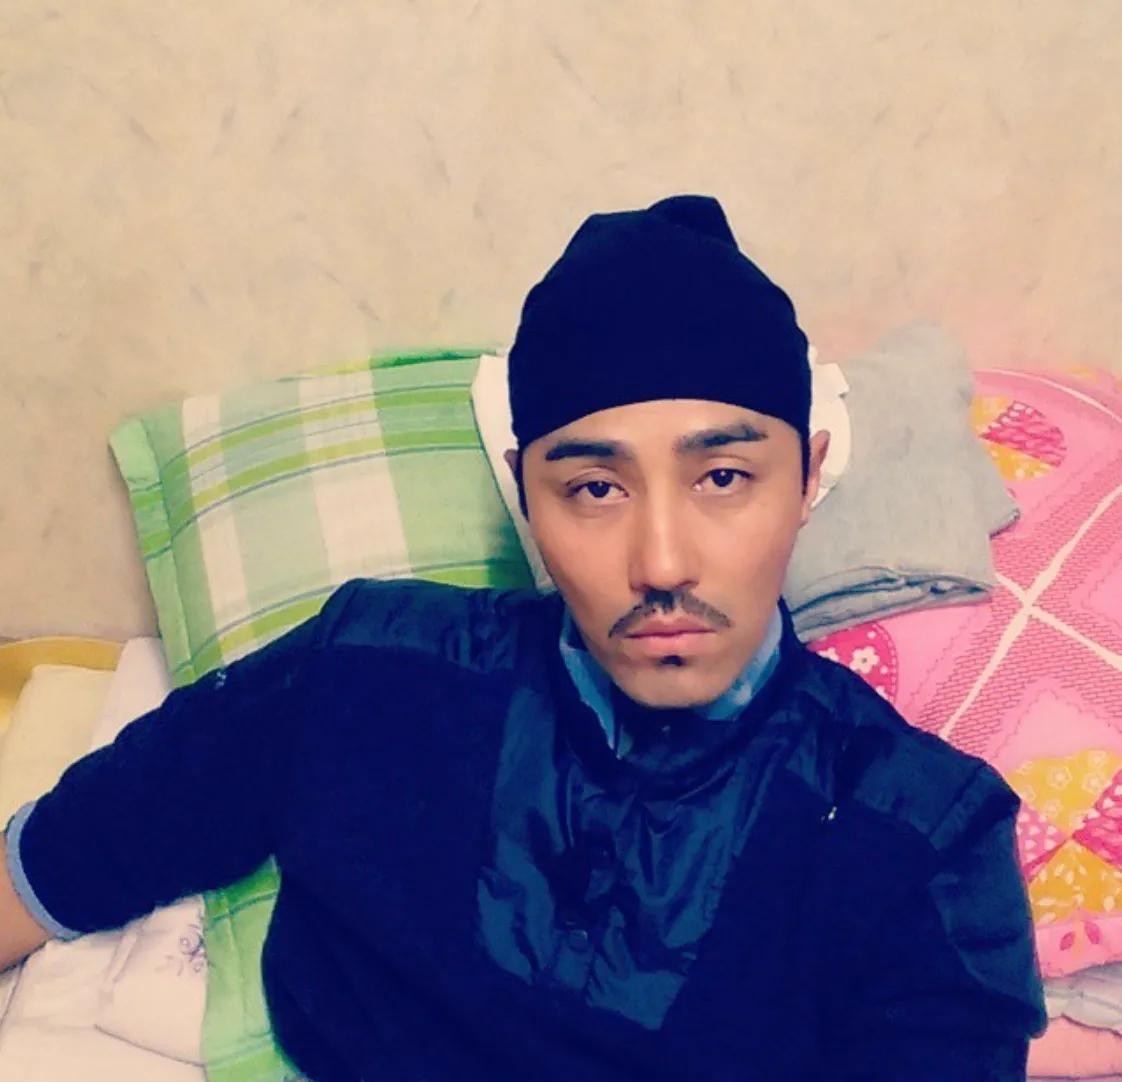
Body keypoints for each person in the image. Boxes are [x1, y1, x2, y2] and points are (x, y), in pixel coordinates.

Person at [1, 195, 1045, 1080]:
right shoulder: (365, 673)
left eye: (723, 477)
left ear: (809, 477)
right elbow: (64, 857)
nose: (663, 561)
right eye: (594, 488)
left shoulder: (920, 839)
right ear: (525, 498)